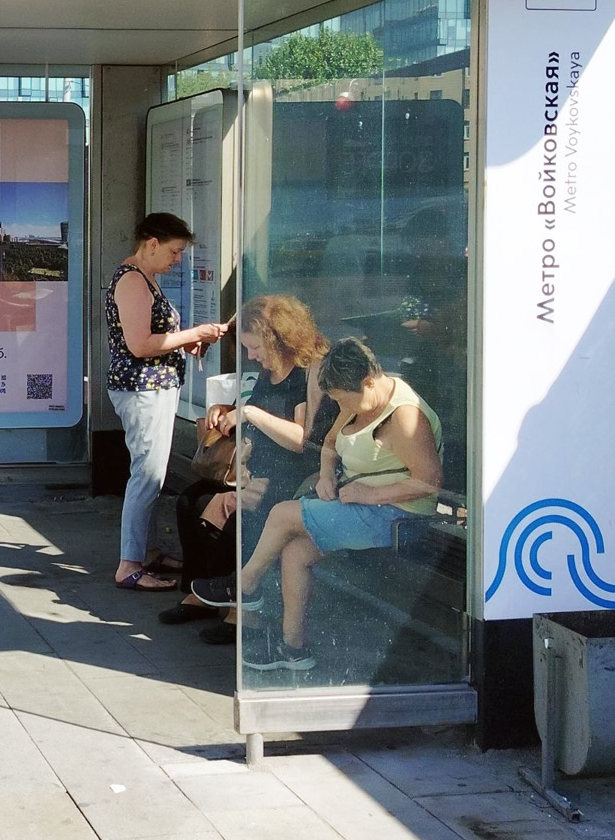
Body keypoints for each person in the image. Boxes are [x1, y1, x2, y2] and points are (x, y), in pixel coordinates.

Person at [192, 337, 441, 673]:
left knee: (282, 514)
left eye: (345, 400)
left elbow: (429, 480)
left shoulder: (404, 417)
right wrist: (325, 475)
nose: (344, 407)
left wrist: (370, 495)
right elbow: (330, 442)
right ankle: (293, 648)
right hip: (360, 501)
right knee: (295, 552)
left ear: (369, 381)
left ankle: (244, 584)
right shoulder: (359, 400)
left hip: (398, 515)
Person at [164, 293, 331, 631]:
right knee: (189, 500)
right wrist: (227, 412)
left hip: (290, 473)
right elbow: (251, 416)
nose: (252, 356)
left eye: (255, 347)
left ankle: (241, 609)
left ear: (279, 339)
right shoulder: (269, 371)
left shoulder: (306, 374)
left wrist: (249, 413)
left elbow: (301, 439)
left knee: (238, 513)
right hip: (256, 467)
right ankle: (202, 593)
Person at [107, 213, 229, 592]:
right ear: (152, 244)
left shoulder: (145, 278)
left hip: (151, 387)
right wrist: (193, 334)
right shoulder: (133, 281)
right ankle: (129, 564)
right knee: (149, 474)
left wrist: (186, 342)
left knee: (148, 472)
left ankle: (146, 552)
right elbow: (140, 344)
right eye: (174, 252)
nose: (177, 260)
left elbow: (153, 338)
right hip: (143, 390)